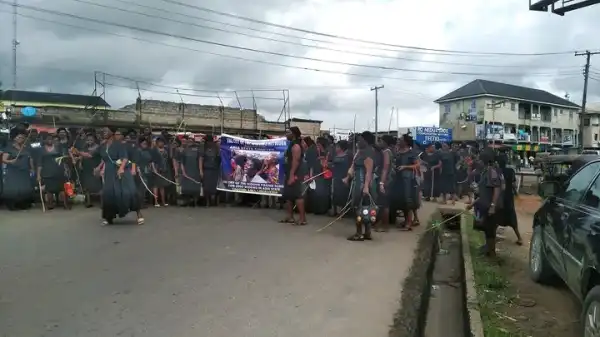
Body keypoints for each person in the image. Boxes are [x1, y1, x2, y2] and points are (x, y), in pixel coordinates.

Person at [94, 126, 143, 225]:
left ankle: (139, 214)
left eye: (106, 131)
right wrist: (77, 152)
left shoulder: (120, 145)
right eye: (102, 131)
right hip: (109, 172)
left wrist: (121, 168)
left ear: (112, 132)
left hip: (121, 170)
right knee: (109, 193)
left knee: (129, 191)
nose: (103, 132)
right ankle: (109, 217)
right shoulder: (102, 146)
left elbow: (125, 158)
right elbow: (96, 156)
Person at [467, 148, 504, 257]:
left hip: (491, 206)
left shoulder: (492, 171)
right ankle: (488, 248)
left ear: (484, 160)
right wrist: (472, 204)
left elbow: (497, 188)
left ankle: (492, 253)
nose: (478, 161)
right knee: (487, 228)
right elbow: (484, 192)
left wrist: (493, 206)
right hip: (485, 204)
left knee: (490, 229)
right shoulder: (487, 171)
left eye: (480, 159)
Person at [345, 131, 377, 241]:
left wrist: (366, 186)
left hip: (362, 182)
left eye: (361, 139)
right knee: (361, 207)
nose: (359, 140)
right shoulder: (359, 152)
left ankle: (360, 233)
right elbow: (353, 166)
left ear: (366, 141)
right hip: (357, 180)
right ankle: (366, 232)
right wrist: (348, 177)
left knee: (360, 208)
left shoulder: (368, 153)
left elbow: (368, 171)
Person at [391, 134, 420, 231]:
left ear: (406, 142)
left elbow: (417, 165)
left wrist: (405, 167)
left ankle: (408, 223)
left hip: (408, 180)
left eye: (400, 140)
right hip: (398, 178)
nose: (398, 141)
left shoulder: (412, 153)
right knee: (401, 200)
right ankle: (407, 221)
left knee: (408, 200)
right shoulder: (398, 152)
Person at [1, 129, 35, 210]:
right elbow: (3, 159)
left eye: (23, 138)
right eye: (19, 137)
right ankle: (11, 205)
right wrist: (10, 161)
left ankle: (22, 204)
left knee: (24, 188)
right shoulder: (9, 148)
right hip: (13, 171)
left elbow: (30, 159)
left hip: (24, 171)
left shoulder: (26, 148)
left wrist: (32, 168)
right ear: (15, 138)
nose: (21, 139)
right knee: (14, 188)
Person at [280, 126, 306, 226]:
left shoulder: (296, 146)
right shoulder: (291, 144)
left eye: (288, 132)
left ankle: (302, 219)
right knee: (288, 195)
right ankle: (290, 217)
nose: (286, 134)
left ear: (293, 134)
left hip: (295, 173)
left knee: (297, 195)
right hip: (289, 172)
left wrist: (292, 175)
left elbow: (296, 161)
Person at [37, 133, 69, 210]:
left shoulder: (58, 148)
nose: (50, 140)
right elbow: (39, 163)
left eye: (51, 139)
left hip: (59, 170)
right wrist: (38, 175)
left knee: (63, 188)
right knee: (49, 189)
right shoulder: (41, 150)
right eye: (48, 139)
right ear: (44, 140)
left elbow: (64, 159)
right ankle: (50, 204)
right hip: (47, 172)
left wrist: (66, 168)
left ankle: (65, 203)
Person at [497, 153, 523, 245]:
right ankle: (519, 238)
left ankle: (492, 237)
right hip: (508, 197)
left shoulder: (496, 171)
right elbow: (514, 184)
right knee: (511, 217)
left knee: (496, 216)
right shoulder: (510, 171)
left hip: (499, 197)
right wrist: (515, 192)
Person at [75, 133, 102, 208]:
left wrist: (78, 152)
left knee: (98, 185)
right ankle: (88, 202)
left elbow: (89, 155)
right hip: (86, 167)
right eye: (88, 140)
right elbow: (82, 156)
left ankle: (102, 202)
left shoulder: (98, 147)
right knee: (86, 185)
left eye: (91, 139)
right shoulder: (85, 146)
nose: (89, 141)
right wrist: (80, 162)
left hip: (95, 167)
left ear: (94, 140)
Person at [374, 135, 394, 232]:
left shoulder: (386, 152)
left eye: (381, 141)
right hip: (387, 179)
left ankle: (385, 226)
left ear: (385, 142)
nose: (379, 143)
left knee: (384, 204)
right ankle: (381, 223)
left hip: (385, 180)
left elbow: (385, 168)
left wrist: (381, 182)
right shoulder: (388, 151)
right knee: (383, 203)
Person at [330, 140, 352, 215]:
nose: (336, 148)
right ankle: (334, 210)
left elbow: (350, 168)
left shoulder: (347, 157)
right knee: (334, 194)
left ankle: (341, 210)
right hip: (335, 178)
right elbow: (333, 167)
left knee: (342, 194)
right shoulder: (335, 157)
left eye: (337, 147)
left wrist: (347, 178)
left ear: (341, 148)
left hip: (343, 178)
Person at [179, 136, 202, 206]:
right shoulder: (184, 150)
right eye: (189, 140)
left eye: (191, 140)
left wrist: (201, 170)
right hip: (187, 171)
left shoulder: (198, 149)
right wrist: (183, 171)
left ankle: (195, 203)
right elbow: (182, 162)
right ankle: (188, 203)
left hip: (195, 171)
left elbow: (200, 160)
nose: (190, 141)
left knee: (195, 188)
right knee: (187, 188)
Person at [199, 134, 220, 207]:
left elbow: (219, 158)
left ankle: (214, 202)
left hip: (215, 170)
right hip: (207, 170)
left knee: (214, 187)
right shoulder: (204, 148)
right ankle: (207, 202)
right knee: (206, 187)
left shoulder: (216, 148)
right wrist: (201, 171)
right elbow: (201, 159)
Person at [151, 136, 172, 207]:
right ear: (157, 143)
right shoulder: (154, 150)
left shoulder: (166, 150)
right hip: (156, 170)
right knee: (155, 186)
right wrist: (154, 169)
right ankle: (156, 202)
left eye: (162, 142)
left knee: (162, 186)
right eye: (159, 142)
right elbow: (152, 161)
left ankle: (163, 201)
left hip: (164, 170)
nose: (161, 143)